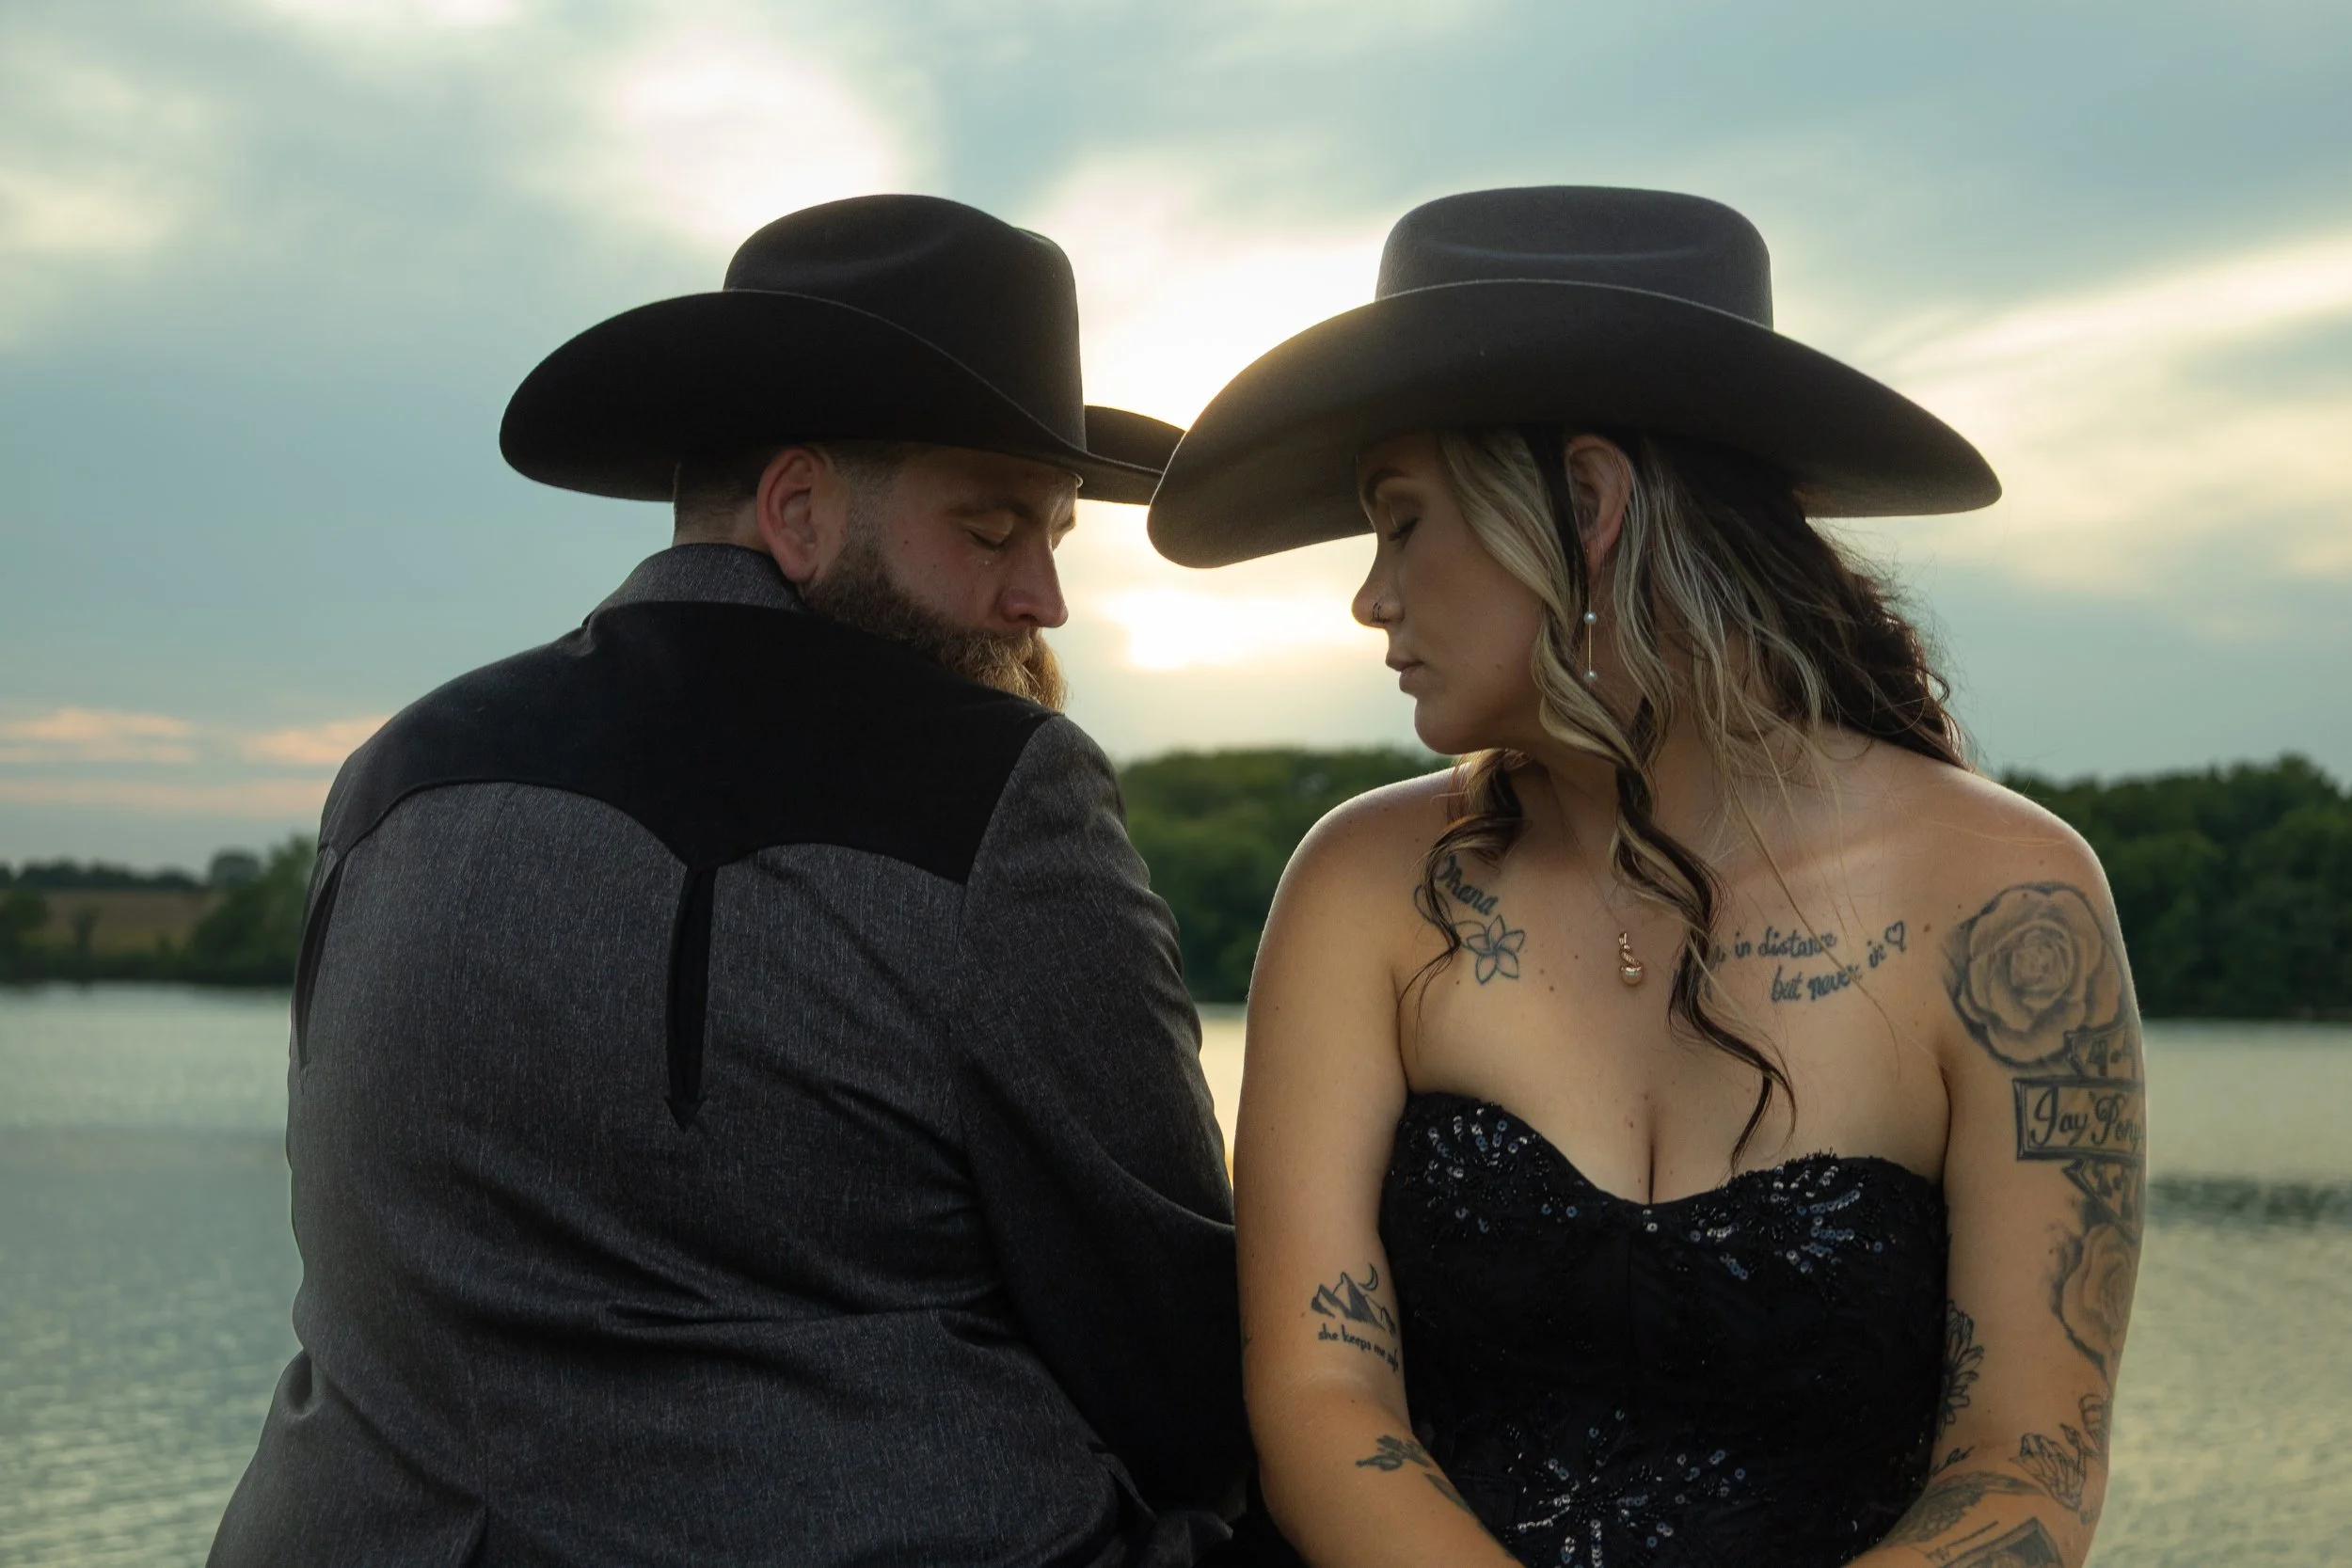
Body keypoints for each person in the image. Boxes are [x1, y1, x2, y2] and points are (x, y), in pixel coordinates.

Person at [211, 194, 1248, 1568]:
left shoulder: (392, 774)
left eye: (1056, 533)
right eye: (995, 529)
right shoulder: (1003, 791)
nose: (1044, 597)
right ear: (800, 509)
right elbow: (1168, 1338)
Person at [1149, 187, 2142, 1568]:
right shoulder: (1363, 887)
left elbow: (2024, 1467)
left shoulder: (2009, 899)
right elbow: (1325, 1399)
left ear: (1591, 503)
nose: (1371, 596)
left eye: (1402, 519)